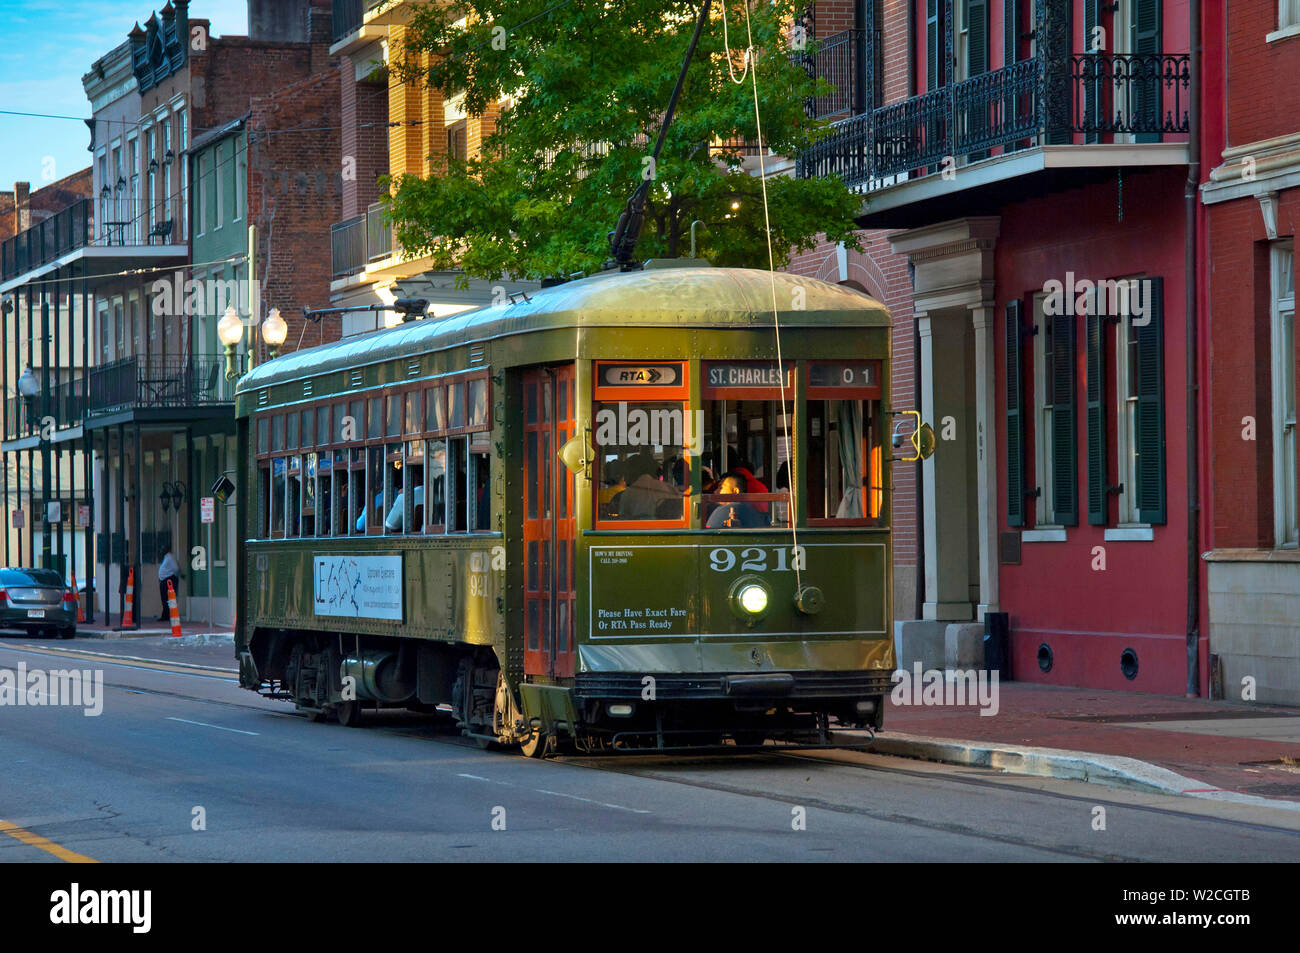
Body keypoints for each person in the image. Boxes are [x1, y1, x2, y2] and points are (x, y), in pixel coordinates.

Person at [612, 452, 681, 520]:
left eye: (626, 472)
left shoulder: (628, 494)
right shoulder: (670, 489)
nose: (624, 477)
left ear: (632, 472)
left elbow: (623, 521)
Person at [157, 545, 181, 621]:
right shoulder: (166, 557)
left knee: (167, 598)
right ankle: (165, 615)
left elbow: (176, 568)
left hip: (168, 579)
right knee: (164, 599)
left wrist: (170, 574)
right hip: (164, 580)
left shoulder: (170, 557)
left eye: (163, 549)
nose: (161, 551)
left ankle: (167, 615)